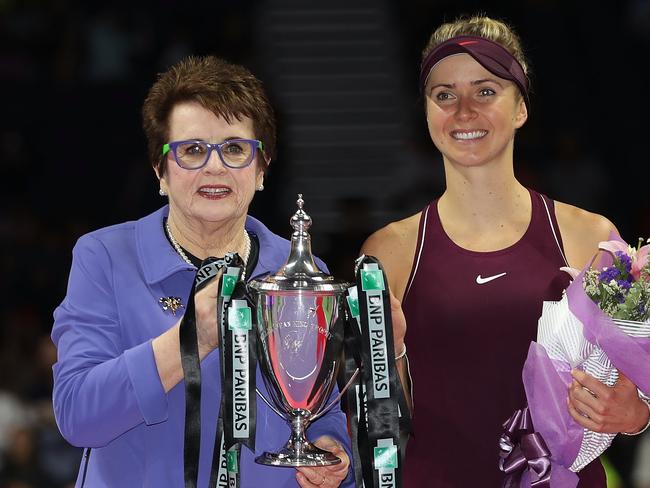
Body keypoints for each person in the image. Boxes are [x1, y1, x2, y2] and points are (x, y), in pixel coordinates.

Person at [360, 15, 650, 487]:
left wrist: (637, 413)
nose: (464, 111)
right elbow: (384, 415)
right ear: (428, 113)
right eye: (444, 95)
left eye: (486, 91)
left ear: (520, 108)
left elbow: (633, 380)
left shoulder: (589, 236)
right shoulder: (389, 251)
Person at [51, 55, 352, 488]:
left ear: (262, 169)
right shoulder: (105, 256)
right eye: (192, 150)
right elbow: (78, 413)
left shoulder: (300, 272)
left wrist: (332, 453)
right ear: (160, 170)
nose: (215, 166)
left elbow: (321, 412)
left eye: (234, 149)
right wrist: (192, 337)